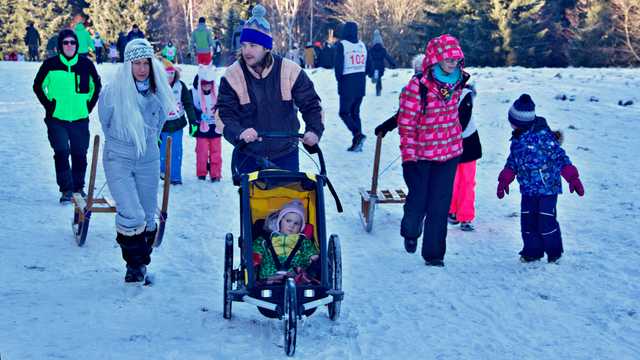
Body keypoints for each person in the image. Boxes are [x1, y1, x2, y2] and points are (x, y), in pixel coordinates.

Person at [97, 38, 176, 283]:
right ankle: (135, 264)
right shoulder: (112, 92)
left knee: (148, 214)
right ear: (127, 64)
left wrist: (145, 143)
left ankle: (140, 261)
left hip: (148, 158)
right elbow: (105, 121)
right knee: (132, 214)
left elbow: (160, 122)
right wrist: (124, 142)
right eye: (136, 63)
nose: (142, 69)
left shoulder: (159, 93)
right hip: (118, 157)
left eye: (146, 63)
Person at [217, 4, 324, 174]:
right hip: (248, 154)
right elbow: (223, 115)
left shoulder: (290, 70)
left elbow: (311, 104)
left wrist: (314, 131)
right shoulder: (232, 75)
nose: (246, 51)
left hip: (286, 154)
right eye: (244, 45)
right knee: (251, 200)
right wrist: (240, 132)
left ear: (266, 47)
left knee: (287, 200)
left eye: (253, 45)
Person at [397, 34, 470, 267]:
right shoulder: (416, 87)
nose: (454, 64)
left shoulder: (458, 81)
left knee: (440, 204)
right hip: (421, 155)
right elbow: (406, 124)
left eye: (457, 60)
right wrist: (408, 156)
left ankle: (434, 253)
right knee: (418, 200)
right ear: (436, 58)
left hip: (449, 152)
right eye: (449, 59)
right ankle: (410, 230)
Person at [497, 94, 585, 264]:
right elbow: (513, 161)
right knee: (528, 221)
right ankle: (532, 252)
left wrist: (572, 178)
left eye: (512, 121)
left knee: (546, 221)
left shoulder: (544, 137)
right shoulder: (517, 139)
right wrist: (504, 179)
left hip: (548, 189)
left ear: (521, 122)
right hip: (528, 189)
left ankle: (554, 252)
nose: (510, 124)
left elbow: (560, 158)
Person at [33, 29, 102, 203]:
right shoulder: (50, 64)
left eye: (72, 42)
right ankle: (66, 190)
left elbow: (96, 86)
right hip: (57, 120)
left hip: (80, 119)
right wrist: (50, 105)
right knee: (62, 152)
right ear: (60, 46)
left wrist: (88, 106)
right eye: (66, 43)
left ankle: (78, 188)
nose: (69, 45)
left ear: (77, 45)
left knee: (79, 154)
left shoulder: (86, 64)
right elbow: (38, 86)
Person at [252, 199, 319, 285]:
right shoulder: (268, 238)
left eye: (296, 223)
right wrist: (256, 256)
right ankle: (269, 281)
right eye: (288, 221)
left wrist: (314, 258)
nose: (291, 225)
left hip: (293, 274)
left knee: (304, 270)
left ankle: (300, 279)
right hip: (270, 273)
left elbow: (309, 250)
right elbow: (258, 246)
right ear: (280, 221)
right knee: (264, 260)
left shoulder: (303, 240)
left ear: (301, 227)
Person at [447, 83, 482, 232]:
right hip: (449, 143)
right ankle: (452, 211)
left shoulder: (465, 94)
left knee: (467, 182)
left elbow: (463, 119)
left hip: (468, 144)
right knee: (452, 180)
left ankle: (465, 216)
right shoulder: (441, 91)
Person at [334, 21, 372, 152]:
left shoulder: (342, 45)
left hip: (347, 83)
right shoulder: (362, 45)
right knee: (355, 113)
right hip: (360, 84)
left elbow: (338, 66)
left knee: (344, 112)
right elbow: (369, 67)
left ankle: (358, 135)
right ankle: (357, 142)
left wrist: (339, 80)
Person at [159, 57, 197, 185]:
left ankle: (175, 176)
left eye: (171, 74)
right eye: (166, 74)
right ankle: (163, 172)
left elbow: (188, 104)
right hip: (162, 126)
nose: (169, 77)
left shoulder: (180, 86)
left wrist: (193, 121)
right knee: (162, 150)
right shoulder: (157, 87)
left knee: (176, 151)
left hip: (177, 124)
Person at [191, 64, 222, 182]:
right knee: (202, 152)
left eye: (209, 83)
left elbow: (223, 109)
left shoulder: (217, 95)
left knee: (216, 153)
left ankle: (215, 174)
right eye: (204, 84)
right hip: (202, 129)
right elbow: (192, 109)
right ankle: (201, 172)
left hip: (215, 128)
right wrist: (199, 116)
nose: (206, 86)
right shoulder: (196, 95)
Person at [368, 29, 396, 97]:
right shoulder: (382, 50)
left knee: (377, 77)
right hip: (381, 66)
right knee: (379, 77)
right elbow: (387, 57)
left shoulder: (371, 50)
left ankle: (377, 86)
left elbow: (368, 58)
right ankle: (379, 88)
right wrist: (392, 63)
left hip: (374, 66)